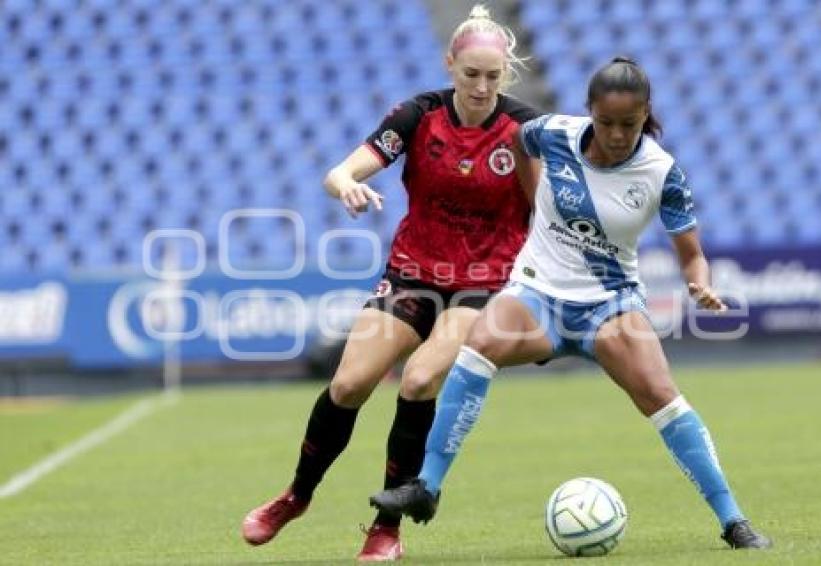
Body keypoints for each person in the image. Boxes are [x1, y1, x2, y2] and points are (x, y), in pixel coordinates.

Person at [370, 56, 772, 551]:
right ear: (589, 113)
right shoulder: (553, 133)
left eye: (630, 124)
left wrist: (700, 284)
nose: (619, 134)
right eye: (607, 123)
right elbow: (519, 142)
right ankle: (426, 487)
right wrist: (533, 198)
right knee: (480, 344)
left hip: (610, 304)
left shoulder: (661, 173)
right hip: (538, 291)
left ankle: (733, 520)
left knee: (663, 397)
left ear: (646, 114)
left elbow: (692, 256)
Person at [241, 6, 542, 561]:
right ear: (449, 64)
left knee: (421, 378)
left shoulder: (524, 129)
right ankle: (296, 496)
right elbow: (340, 172)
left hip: (484, 281)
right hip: (412, 271)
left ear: (506, 75)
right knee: (349, 385)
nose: (480, 87)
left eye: (492, 77)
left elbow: (547, 210)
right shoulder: (418, 114)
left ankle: (386, 526)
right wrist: (348, 185)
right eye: (469, 74)